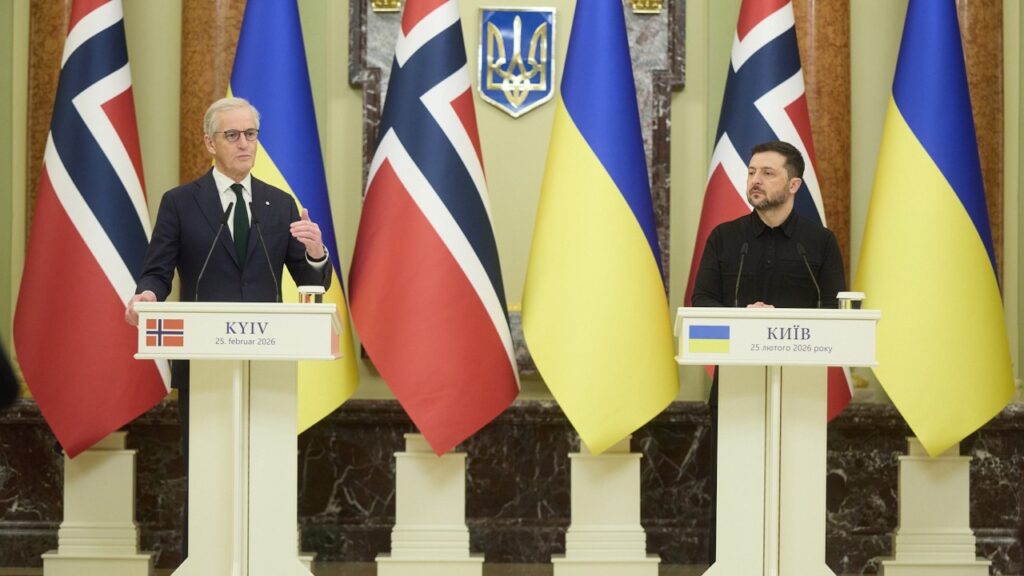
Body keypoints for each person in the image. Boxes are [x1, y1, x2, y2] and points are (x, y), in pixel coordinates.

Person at [124, 97, 332, 559]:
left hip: (269, 361)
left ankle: (268, 562)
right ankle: (202, 562)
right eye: (232, 135)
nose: (244, 144)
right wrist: (148, 296)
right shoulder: (180, 203)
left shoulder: (280, 204)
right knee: (207, 472)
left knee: (268, 471)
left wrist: (317, 252)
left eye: (250, 134)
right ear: (209, 143)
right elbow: (157, 271)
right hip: (204, 363)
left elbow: (312, 281)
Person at [691, 140, 846, 562]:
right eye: (751, 171)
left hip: (801, 396)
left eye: (767, 173)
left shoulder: (819, 243)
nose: (755, 180)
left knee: (797, 492)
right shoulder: (726, 238)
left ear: (794, 184)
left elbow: (835, 311)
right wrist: (744, 316)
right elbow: (702, 303)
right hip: (735, 391)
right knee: (732, 492)